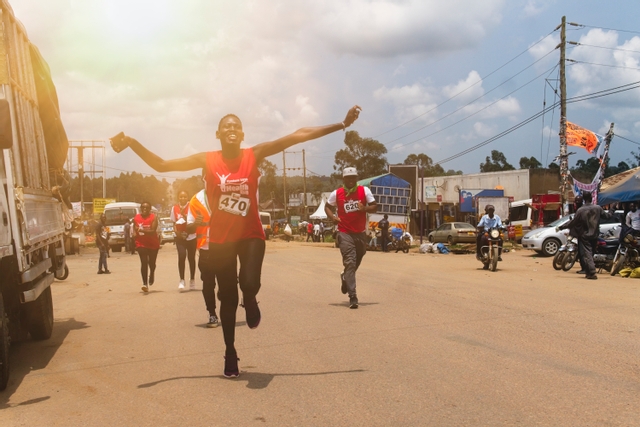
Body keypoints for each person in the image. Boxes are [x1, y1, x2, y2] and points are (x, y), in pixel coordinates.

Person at [110, 105, 361, 378]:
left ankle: (251, 298)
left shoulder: (254, 155)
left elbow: (298, 135)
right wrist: (132, 142)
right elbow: (162, 165)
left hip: (250, 234)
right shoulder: (208, 160)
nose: (232, 129)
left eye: (236, 126)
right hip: (221, 240)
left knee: (249, 283)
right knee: (227, 299)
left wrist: (341, 124)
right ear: (217, 134)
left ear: (242, 134)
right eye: (226, 126)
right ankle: (230, 351)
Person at [324, 167, 377, 309]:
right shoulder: (337, 193)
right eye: (348, 178)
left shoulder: (364, 191)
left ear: (356, 178)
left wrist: (364, 208)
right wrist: (333, 217)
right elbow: (327, 207)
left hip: (360, 233)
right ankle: (353, 296)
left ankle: (345, 277)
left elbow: (374, 206)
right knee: (350, 262)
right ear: (344, 179)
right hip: (344, 232)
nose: (351, 180)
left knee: (359, 256)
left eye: (353, 177)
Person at [187, 187, 220, 328]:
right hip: (205, 250)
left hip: (224, 248)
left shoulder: (226, 193)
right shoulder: (195, 200)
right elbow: (188, 228)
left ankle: (223, 297)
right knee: (208, 285)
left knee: (227, 286)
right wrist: (196, 223)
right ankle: (212, 313)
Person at [559, 191, 608, 280]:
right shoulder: (598, 208)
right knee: (591, 253)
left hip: (585, 235)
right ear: (591, 198)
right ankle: (589, 272)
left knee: (588, 253)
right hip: (595, 234)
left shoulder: (581, 210)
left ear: (583, 199)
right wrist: (612, 210)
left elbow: (573, 222)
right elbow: (607, 216)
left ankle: (592, 272)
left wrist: (562, 227)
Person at [172, 190, 197, 290]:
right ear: (178, 197)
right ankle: (182, 280)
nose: (183, 198)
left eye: (185, 196)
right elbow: (173, 222)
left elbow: (195, 221)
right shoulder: (174, 208)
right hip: (180, 237)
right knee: (181, 256)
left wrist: (186, 216)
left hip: (191, 236)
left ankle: (192, 279)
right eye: (181, 197)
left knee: (191, 258)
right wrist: (177, 233)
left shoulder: (192, 206)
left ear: (188, 197)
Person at [133, 202, 160, 292]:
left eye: (147, 207)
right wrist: (134, 233)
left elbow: (152, 231)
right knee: (144, 262)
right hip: (141, 243)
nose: (145, 209)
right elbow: (134, 226)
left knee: (151, 263)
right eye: (143, 207)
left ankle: (152, 273)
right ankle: (145, 283)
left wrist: (141, 230)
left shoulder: (153, 217)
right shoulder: (137, 217)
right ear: (141, 208)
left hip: (153, 244)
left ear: (150, 209)